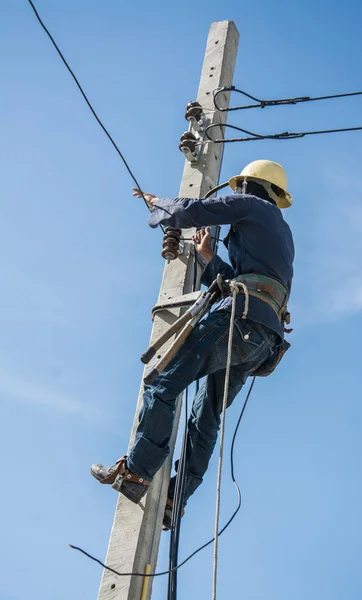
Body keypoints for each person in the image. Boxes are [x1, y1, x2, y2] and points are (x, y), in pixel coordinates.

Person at [90, 160, 295, 526]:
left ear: (249, 186)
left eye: (241, 187)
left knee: (162, 382)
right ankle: (175, 498)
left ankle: (136, 472)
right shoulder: (280, 231)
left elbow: (195, 210)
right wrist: (208, 259)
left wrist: (158, 204)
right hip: (261, 339)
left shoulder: (251, 206)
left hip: (239, 322)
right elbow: (249, 281)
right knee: (206, 418)